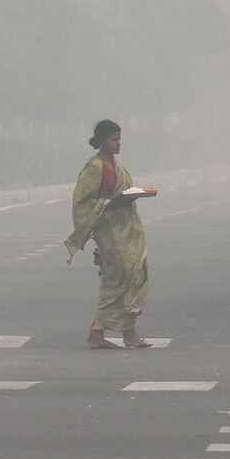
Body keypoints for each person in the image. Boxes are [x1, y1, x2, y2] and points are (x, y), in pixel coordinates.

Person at [64, 120, 151, 349]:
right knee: (117, 277)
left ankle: (127, 333)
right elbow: (81, 201)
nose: (119, 143)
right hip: (107, 232)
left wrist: (128, 197)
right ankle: (98, 332)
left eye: (120, 139)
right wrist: (110, 203)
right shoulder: (94, 166)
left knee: (133, 274)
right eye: (114, 140)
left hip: (125, 229)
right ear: (102, 141)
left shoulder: (117, 164)